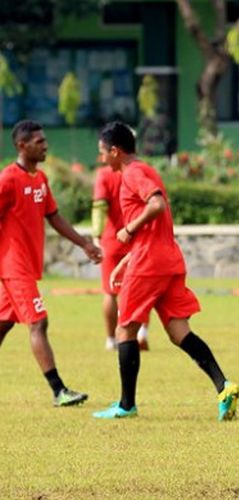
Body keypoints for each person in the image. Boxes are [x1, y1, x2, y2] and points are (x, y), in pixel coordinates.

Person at [91, 122, 239, 420]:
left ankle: (126, 405)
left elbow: (156, 205)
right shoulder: (144, 169)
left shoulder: (132, 174)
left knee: (125, 329)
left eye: (102, 153)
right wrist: (127, 257)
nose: (101, 159)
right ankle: (224, 386)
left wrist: (129, 230)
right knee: (178, 331)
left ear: (115, 151)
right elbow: (156, 221)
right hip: (166, 259)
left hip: (150, 264)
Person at [0, 120, 101, 406]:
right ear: (22, 146)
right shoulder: (8, 179)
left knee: (3, 324)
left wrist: (84, 244)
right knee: (39, 322)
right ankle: (59, 390)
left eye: (45, 140)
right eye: (39, 142)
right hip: (13, 265)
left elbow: (53, 216)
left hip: (26, 264)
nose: (45, 145)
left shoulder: (40, 179)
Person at [92, 155, 149, 351]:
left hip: (111, 239)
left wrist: (96, 234)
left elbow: (99, 206)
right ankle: (141, 334)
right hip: (137, 238)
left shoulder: (104, 175)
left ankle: (110, 339)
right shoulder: (139, 172)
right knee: (141, 289)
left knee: (110, 292)